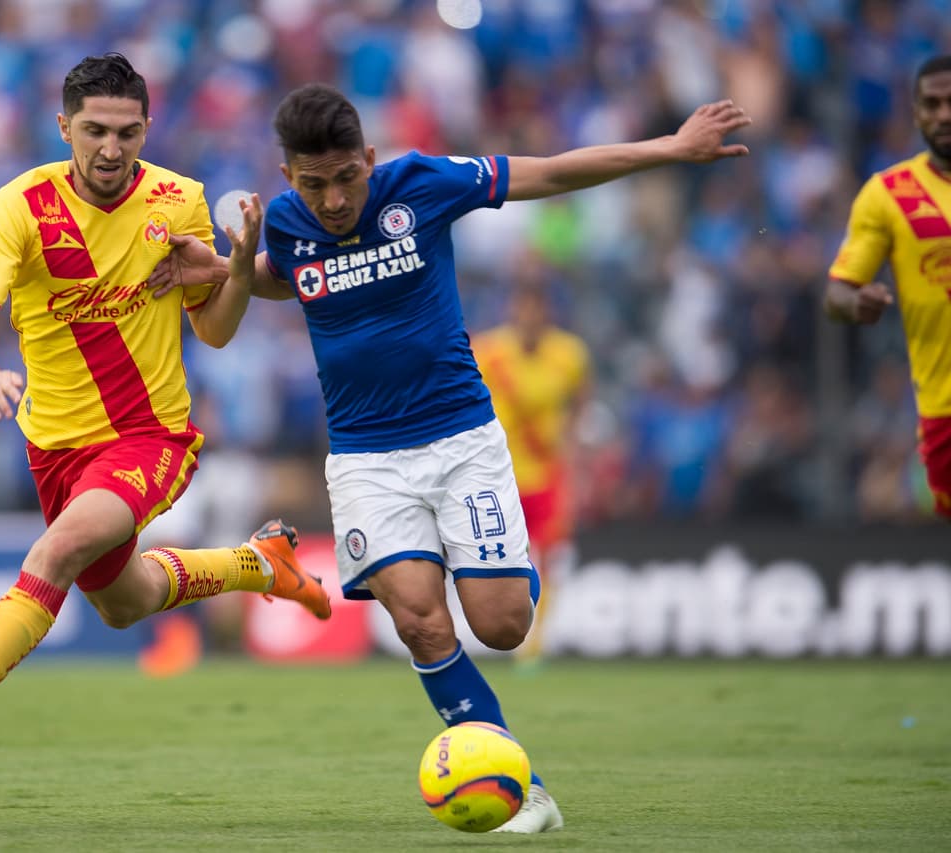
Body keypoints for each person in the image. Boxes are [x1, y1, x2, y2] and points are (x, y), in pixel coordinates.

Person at [152, 83, 751, 832]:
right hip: (367, 458)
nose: (334, 199)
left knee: (501, 624)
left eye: (346, 177)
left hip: (462, 439)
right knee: (422, 624)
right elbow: (287, 280)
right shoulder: (285, 226)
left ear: (369, 159)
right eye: (314, 184)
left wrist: (671, 148)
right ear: (288, 178)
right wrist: (225, 266)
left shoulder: (423, 184)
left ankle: (504, 578)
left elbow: (553, 171)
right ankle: (519, 785)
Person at [0, 54, 331, 772]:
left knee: (54, 555)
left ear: (147, 128)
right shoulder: (20, 205)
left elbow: (211, 328)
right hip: (55, 449)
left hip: (149, 436)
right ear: (64, 127)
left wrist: (237, 267)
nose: (111, 148)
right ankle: (258, 564)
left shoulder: (178, 199)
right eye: (94, 130)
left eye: (126, 131)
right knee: (126, 601)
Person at [825, 54, 951, 521]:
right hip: (943, 410)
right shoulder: (889, 193)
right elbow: (835, 294)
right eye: (932, 104)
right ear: (915, 112)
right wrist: (855, 302)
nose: (944, 115)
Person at [470, 273, 591, 669]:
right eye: (522, 307)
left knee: (549, 556)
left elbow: (578, 408)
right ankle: (493, 627)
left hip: (547, 473)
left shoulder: (570, 354)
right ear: (511, 310)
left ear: (549, 313)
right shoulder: (488, 351)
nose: (529, 316)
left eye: (537, 308)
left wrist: (575, 465)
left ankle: (533, 645)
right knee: (500, 556)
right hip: (498, 472)